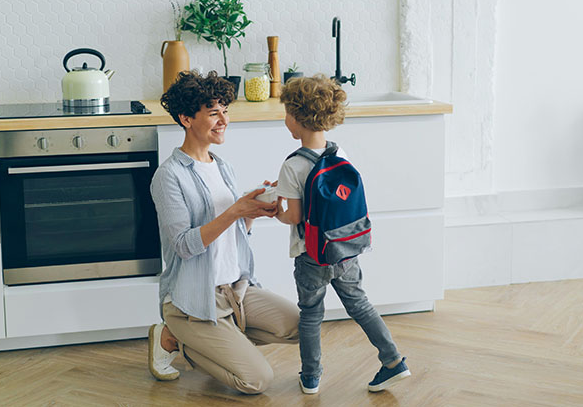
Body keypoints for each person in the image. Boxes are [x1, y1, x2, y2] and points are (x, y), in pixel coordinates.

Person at [147, 70, 299, 395]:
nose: (223, 120)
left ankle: (222, 338)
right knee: (256, 381)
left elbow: (234, 234)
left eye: (225, 110)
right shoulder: (169, 176)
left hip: (236, 290)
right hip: (195, 298)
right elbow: (184, 246)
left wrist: (254, 210)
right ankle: (174, 338)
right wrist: (235, 211)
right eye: (213, 112)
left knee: (301, 325)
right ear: (186, 118)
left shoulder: (222, 166)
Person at [274, 75, 411, 394]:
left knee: (311, 314)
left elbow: (293, 216)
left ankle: (311, 377)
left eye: (286, 114)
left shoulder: (292, 165)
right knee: (360, 305)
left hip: (311, 256)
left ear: (295, 118)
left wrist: (275, 210)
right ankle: (393, 362)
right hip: (345, 249)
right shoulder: (340, 153)